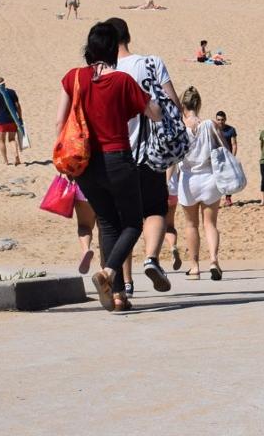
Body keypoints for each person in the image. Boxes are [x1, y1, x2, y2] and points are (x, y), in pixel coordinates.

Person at [54, 22, 161, 311]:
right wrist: (150, 94)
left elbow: (59, 121)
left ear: (89, 48)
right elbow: (155, 114)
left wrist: (63, 158)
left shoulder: (74, 77)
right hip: (118, 160)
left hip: (85, 165)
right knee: (132, 223)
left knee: (107, 223)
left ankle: (117, 296)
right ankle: (110, 272)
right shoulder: (123, 80)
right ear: (114, 48)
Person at [110, 16, 181, 294]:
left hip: (115, 153)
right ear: (127, 36)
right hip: (149, 153)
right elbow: (172, 103)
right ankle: (152, 258)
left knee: (122, 220)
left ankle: (125, 283)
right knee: (154, 209)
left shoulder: (103, 72)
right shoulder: (150, 63)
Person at [172, 87, 223, 280]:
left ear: (182, 105)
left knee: (191, 224)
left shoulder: (179, 127)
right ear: (198, 104)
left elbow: (175, 157)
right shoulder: (210, 124)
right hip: (209, 177)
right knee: (210, 223)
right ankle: (213, 260)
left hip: (188, 179)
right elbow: (224, 149)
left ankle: (194, 267)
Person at [0, 78, 24, 165]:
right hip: (12, 120)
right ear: (4, 83)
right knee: (12, 139)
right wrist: (20, 117)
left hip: (1, 122)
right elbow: (17, 106)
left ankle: (5, 161)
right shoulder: (12, 92)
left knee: (1, 141)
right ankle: (16, 156)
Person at [215, 111, 238, 206]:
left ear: (225, 119)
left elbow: (234, 144)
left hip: (227, 157)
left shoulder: (231, 130)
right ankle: (215, 200)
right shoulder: (213, 129)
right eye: (218, 120)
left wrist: (232, 157)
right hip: (216, 157)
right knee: (216, 179)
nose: (220, 122)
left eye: (222, 120)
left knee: (228, 178)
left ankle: (228, 198)